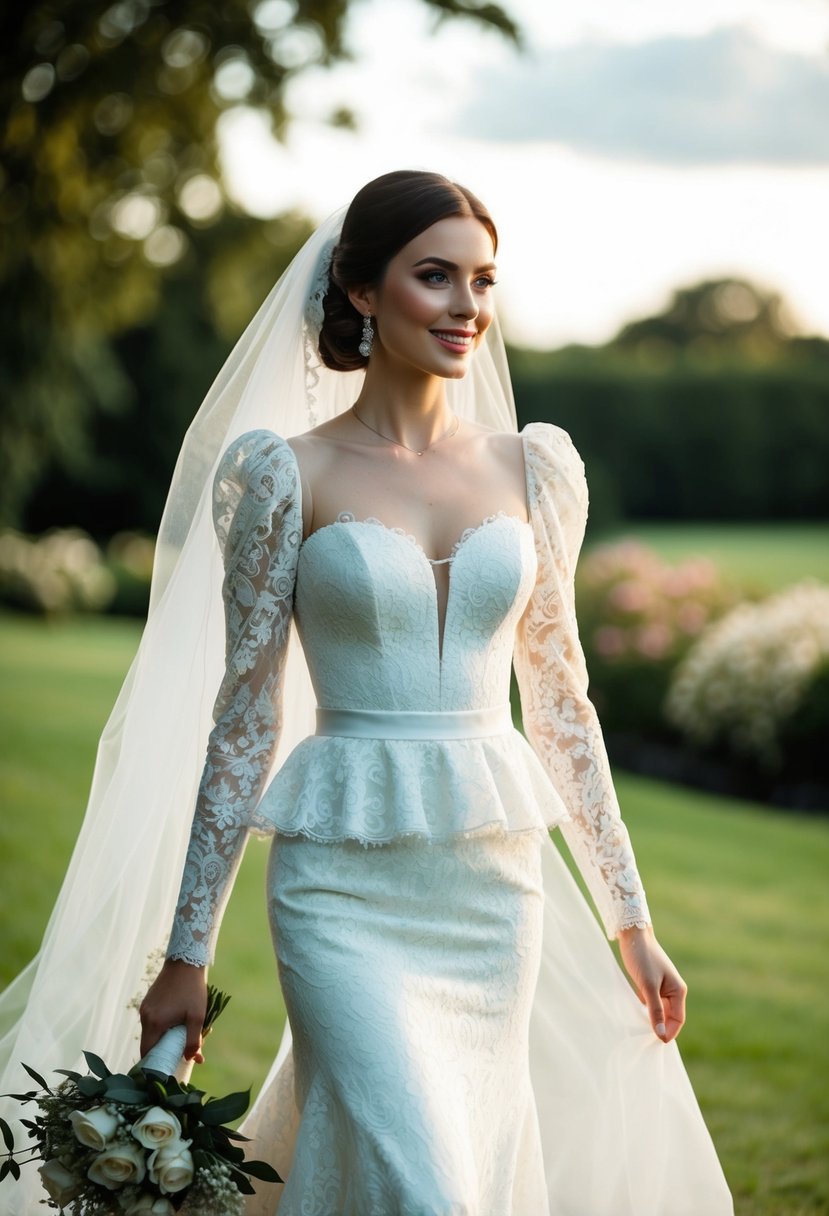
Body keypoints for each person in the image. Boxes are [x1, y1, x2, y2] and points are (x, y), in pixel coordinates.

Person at [0, 170, 733, 1215]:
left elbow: (561, 703)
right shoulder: (282, 475)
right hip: (337, 885)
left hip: (489, 882)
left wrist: (632, 919)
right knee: (411, 1176)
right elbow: (244, 720)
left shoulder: (534, 468)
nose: (466, 306)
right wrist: (186, 955)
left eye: (482, 280)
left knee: (461, 1168)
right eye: (434, 276)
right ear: (359, 289)